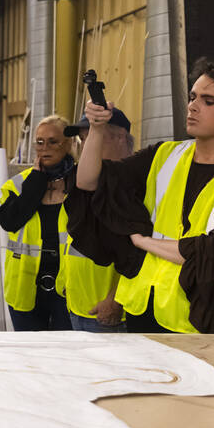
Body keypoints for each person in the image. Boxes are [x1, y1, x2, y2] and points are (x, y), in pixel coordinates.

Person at [76, 58, 214, 333]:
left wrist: (142, 241)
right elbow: (88, 181)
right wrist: (96, 129)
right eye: (192, 97)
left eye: (208, 101)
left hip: (205, 317)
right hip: (144, 305)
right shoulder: (165, 155)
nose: (192, 106)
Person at [0, 115, 75, 331]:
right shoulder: (19, 184)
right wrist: (37, 182)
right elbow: (9, 221)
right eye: (39, 142)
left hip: (69, 287)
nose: (45, 147)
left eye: (53, 141)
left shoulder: (80, 183)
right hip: (25, 286)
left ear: (68, 144)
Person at [60, 108, 135, 332]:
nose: (86, 146)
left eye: (94, 136)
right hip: (78, 304)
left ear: (120, 136)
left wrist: (117, 299)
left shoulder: (132, 183)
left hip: (106, 311)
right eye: (83, 139)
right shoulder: (89, 183)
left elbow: (137, 251)